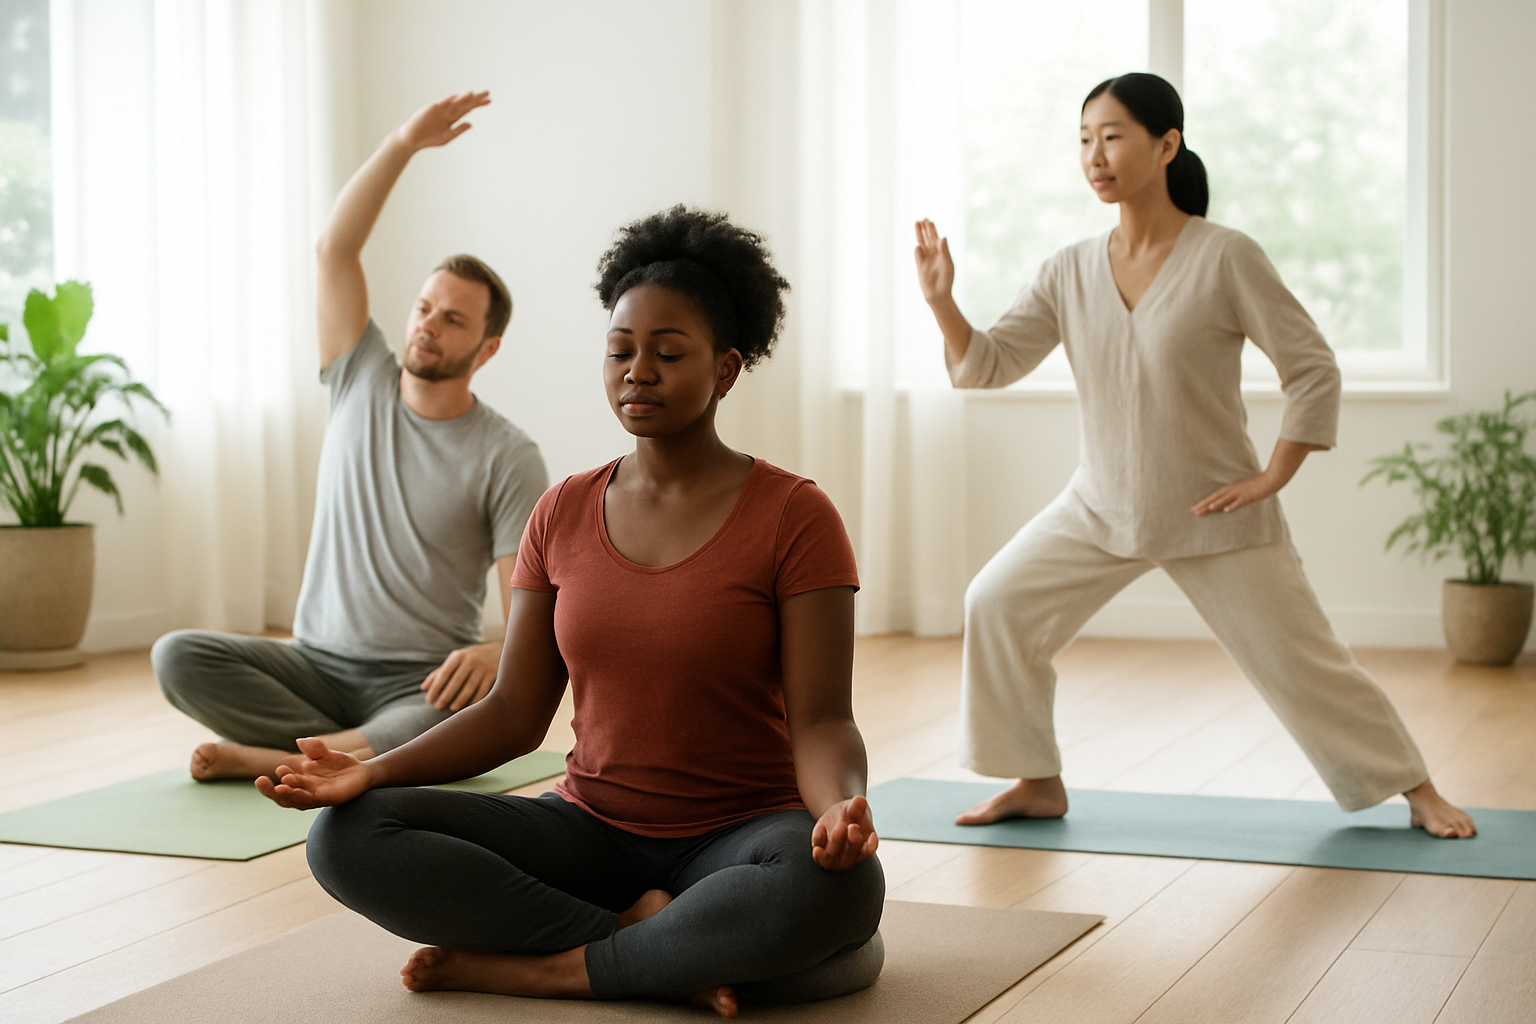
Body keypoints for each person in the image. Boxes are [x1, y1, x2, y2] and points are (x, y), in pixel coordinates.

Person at [256, 206, 885, 1017]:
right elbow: (516, 711)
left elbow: (824, 720)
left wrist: (838, 808)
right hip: (588, 831)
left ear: (725, 371)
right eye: (620, 350)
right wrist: (372, 772)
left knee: (840, 890)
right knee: (346, 838)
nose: (637, 372)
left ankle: (552, 967)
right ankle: (642, 943)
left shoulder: (797, 517)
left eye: (668, 353)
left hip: (740, 834)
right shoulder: (560, 512)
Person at [913, 72, 1475, 839]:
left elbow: (1311, 367)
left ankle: (1417, 789)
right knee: (996, 602)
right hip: (1099, 504)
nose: (1095, 155)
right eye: (1084, 139)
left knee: (1302, 661)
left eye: (1112, 136)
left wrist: (1274, 474)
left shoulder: (1225, 256)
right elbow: (989, 365)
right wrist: (943, 302)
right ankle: (1037, 781)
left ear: (1166, 144)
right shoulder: (1069, 268)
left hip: (1214, 508)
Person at [152, 92, 548, 781]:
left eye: (453, 320)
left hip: (418, 681)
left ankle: (302, 756)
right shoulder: (358, 374)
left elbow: (526, 610)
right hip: (313, 664)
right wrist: (403, 142)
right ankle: (334, 753)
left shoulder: (508, 454)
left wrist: (496, 652)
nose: (428, 324)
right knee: (177, 656)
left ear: (487, 350)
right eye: (424, 308)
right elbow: (335, 248)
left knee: (457, 709)